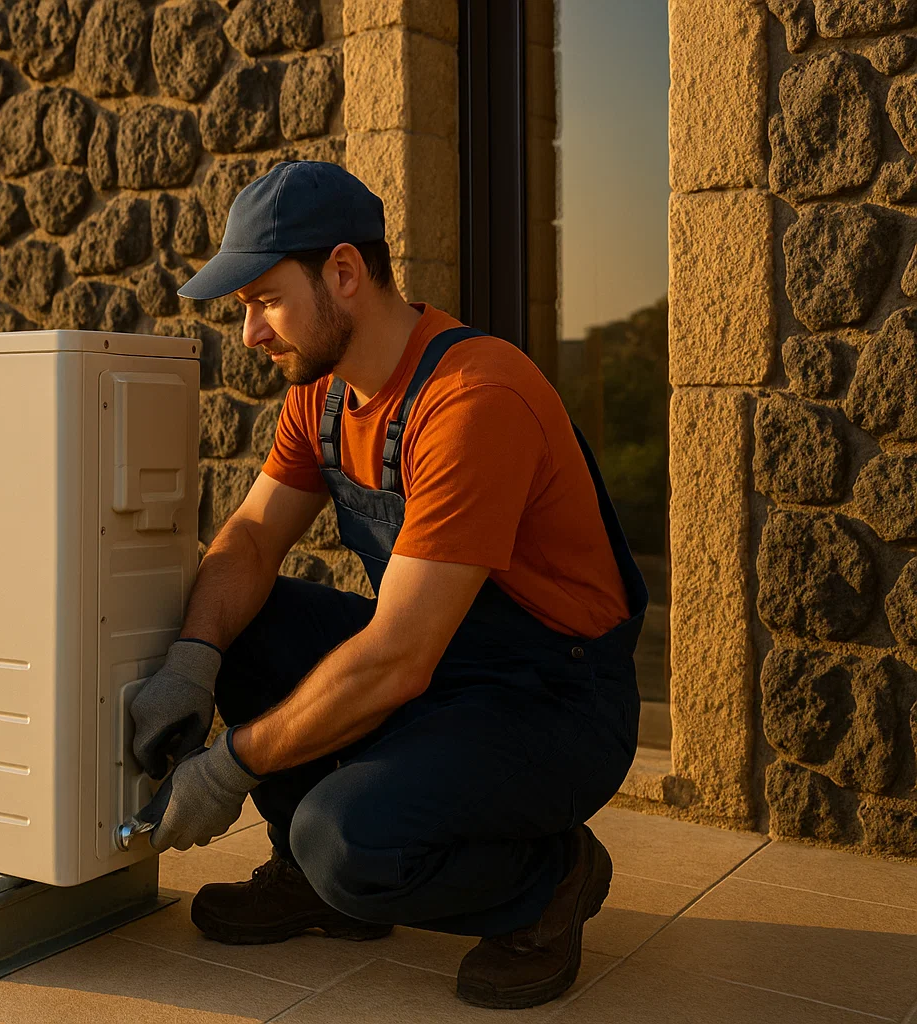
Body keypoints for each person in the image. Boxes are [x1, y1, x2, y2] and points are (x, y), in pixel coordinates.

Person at [128, 160, 646, 1010]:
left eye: (263, 300)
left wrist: (230, 765)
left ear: (342, 272)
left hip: (555, 700)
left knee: (349, 843)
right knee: (240, 620)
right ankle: (311, 882)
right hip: (447, 669)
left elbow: (398, 657)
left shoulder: (472, 400)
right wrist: (194, 658)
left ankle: (550, 878)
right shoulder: (324, 393)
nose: (251, 333)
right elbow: (254, 538)